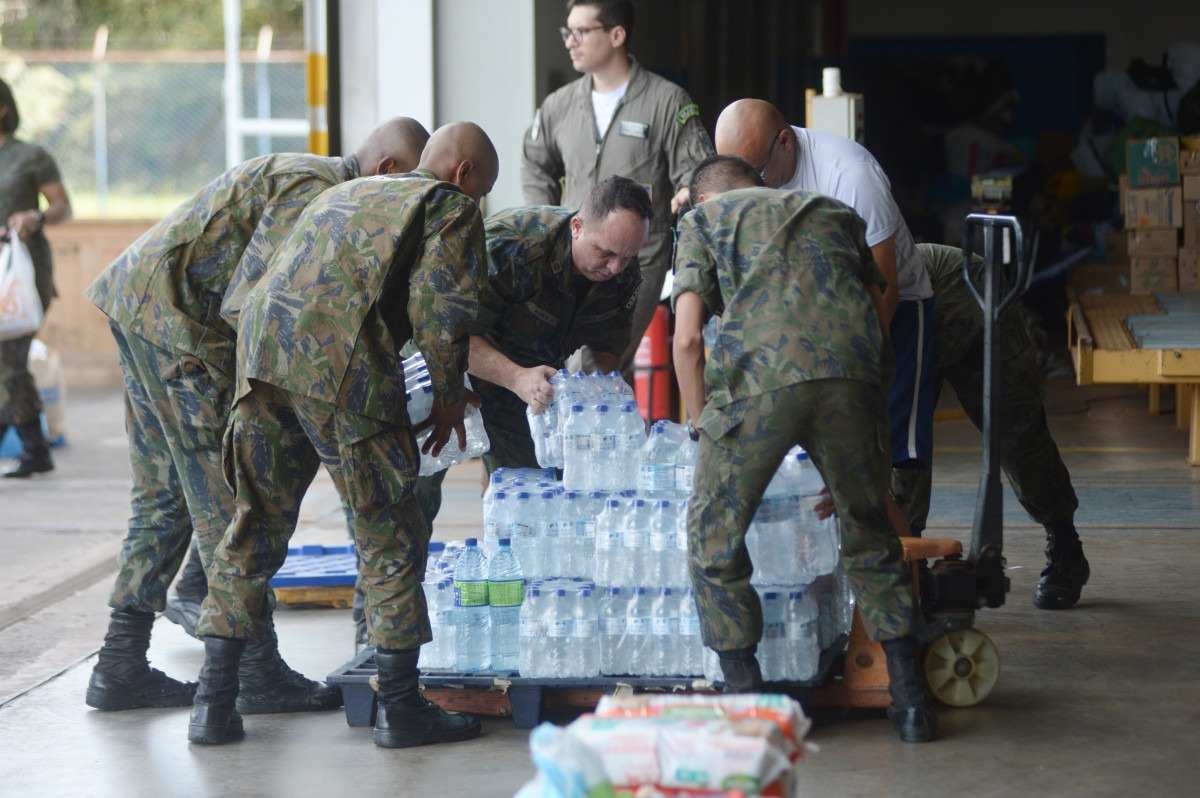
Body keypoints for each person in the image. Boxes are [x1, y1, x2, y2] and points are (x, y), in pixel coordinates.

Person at [83, 117, 430, 715]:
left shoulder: (314, 180)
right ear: (389, 173)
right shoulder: (314, 190)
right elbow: (254, 302)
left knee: (166, 493)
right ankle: (254, 668)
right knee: (233, 498)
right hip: (179, 333)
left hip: (151, 313)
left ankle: (119, 664)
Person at [189, 123, 498, 749]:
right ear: (463, 174)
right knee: (388, 525)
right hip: (340, 367)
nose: (480, 204)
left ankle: (213, 705)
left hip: (262, 360)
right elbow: (442, 316)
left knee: (254, 522)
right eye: (482, 190)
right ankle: (403, 708)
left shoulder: (341, 193)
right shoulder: (448, 207)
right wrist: (446, 399)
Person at [672, 155, 937, 743]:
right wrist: (859, 436)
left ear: (700, 196)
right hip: (852, 376)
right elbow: (875, 306)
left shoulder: (702, 222)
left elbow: (688, 338)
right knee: (868, 528)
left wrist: (700, 427)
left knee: (713, 536)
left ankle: (746, 699)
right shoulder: (830, 210)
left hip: (757, 382)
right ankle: (911, 699)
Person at [714, 99, 938, 492]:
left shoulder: (849, 175)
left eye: (756, 173)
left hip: (891, 310)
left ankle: (906, 545)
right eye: (737, 176)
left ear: (784, 142)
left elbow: (884, 290)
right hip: (815, 318)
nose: (750, 189)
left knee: (889, 442)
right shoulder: (750, 181)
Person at [892, 243, 1089, 609]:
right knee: (895, 446)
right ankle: (906, 565)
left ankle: (1066, 548)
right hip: (910, 318)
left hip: (965, 294)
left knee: (1017, 434)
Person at [521, 0, 713, 373]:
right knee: (559, 362)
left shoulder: (666, 101)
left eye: (581, 31)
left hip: (636, 261)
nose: (569, 41)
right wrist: (548, 224)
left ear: (616, 35)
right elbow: (534, 162)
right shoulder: (559, 106)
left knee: (599, 364)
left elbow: (698, 168)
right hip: (573, 257)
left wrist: (687, 191)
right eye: (567, 31)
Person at [470, 175, 649, 470]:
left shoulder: (624, 273)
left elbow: (607, 352)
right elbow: (449, 335)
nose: (615, 267)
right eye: (606, 253)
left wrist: (605, 407)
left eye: (627, 257)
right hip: (448, 369)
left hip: (533, 377)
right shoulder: (514, 247)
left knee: (528, 484)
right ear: (577, 227)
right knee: (417, 481)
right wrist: (516, 378)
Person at [0, 78, 72, 478]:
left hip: (22, 275)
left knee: (10, 359)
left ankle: (33, 448)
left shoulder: (30, 157)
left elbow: (62, 206)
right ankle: (33, 447)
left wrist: (36, 217)